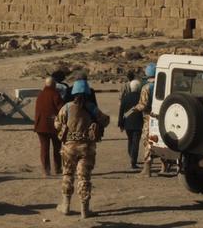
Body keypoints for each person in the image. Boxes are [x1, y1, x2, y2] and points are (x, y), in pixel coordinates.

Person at [54, 79, 110, 219]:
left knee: (67, 174)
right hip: (87, 148)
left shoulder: (66, 107)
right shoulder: (91, 107)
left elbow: (57, 124)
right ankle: (85, 210)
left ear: (73, 93)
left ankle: (65, 206)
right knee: (84, 178)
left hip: (69, 148)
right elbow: (105, 121)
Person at [125, 63, 156, 176]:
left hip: (148, 118)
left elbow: (143, 105)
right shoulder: (162, 85)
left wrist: (132, 110)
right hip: (161, 117)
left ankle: (147, 169)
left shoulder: (146, 87)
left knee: (147, 141)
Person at [34, 76, 65, 176]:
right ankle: (58, 168)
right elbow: (62, 109)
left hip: (40, 125)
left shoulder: (40, 95)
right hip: (53, 126)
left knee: (44, 148)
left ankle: (46, 170)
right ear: (54, 85)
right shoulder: (55, 94)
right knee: (57, 147)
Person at [118, 79, 144, 170]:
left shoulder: (125, 97)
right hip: (138, 123)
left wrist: (120, 124)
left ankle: (131, 157)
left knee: (130, 140)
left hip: (127, 123)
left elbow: (121, 112)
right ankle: (133, 161)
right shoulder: (141, 97)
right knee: (135, 143)